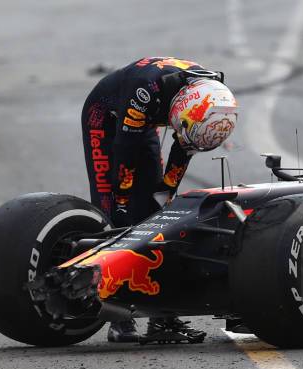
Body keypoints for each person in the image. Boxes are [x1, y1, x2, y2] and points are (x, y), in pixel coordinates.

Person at [81, 57, 238, 343]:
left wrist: (167, 194)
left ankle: (163, 318)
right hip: (107, 118)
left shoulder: (211, 99)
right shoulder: (146, 91)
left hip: (146, 120)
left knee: (156, 213)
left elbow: (184, 146)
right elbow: (125, 148)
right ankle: (118, 319)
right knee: (118, 214)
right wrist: (122, 200)